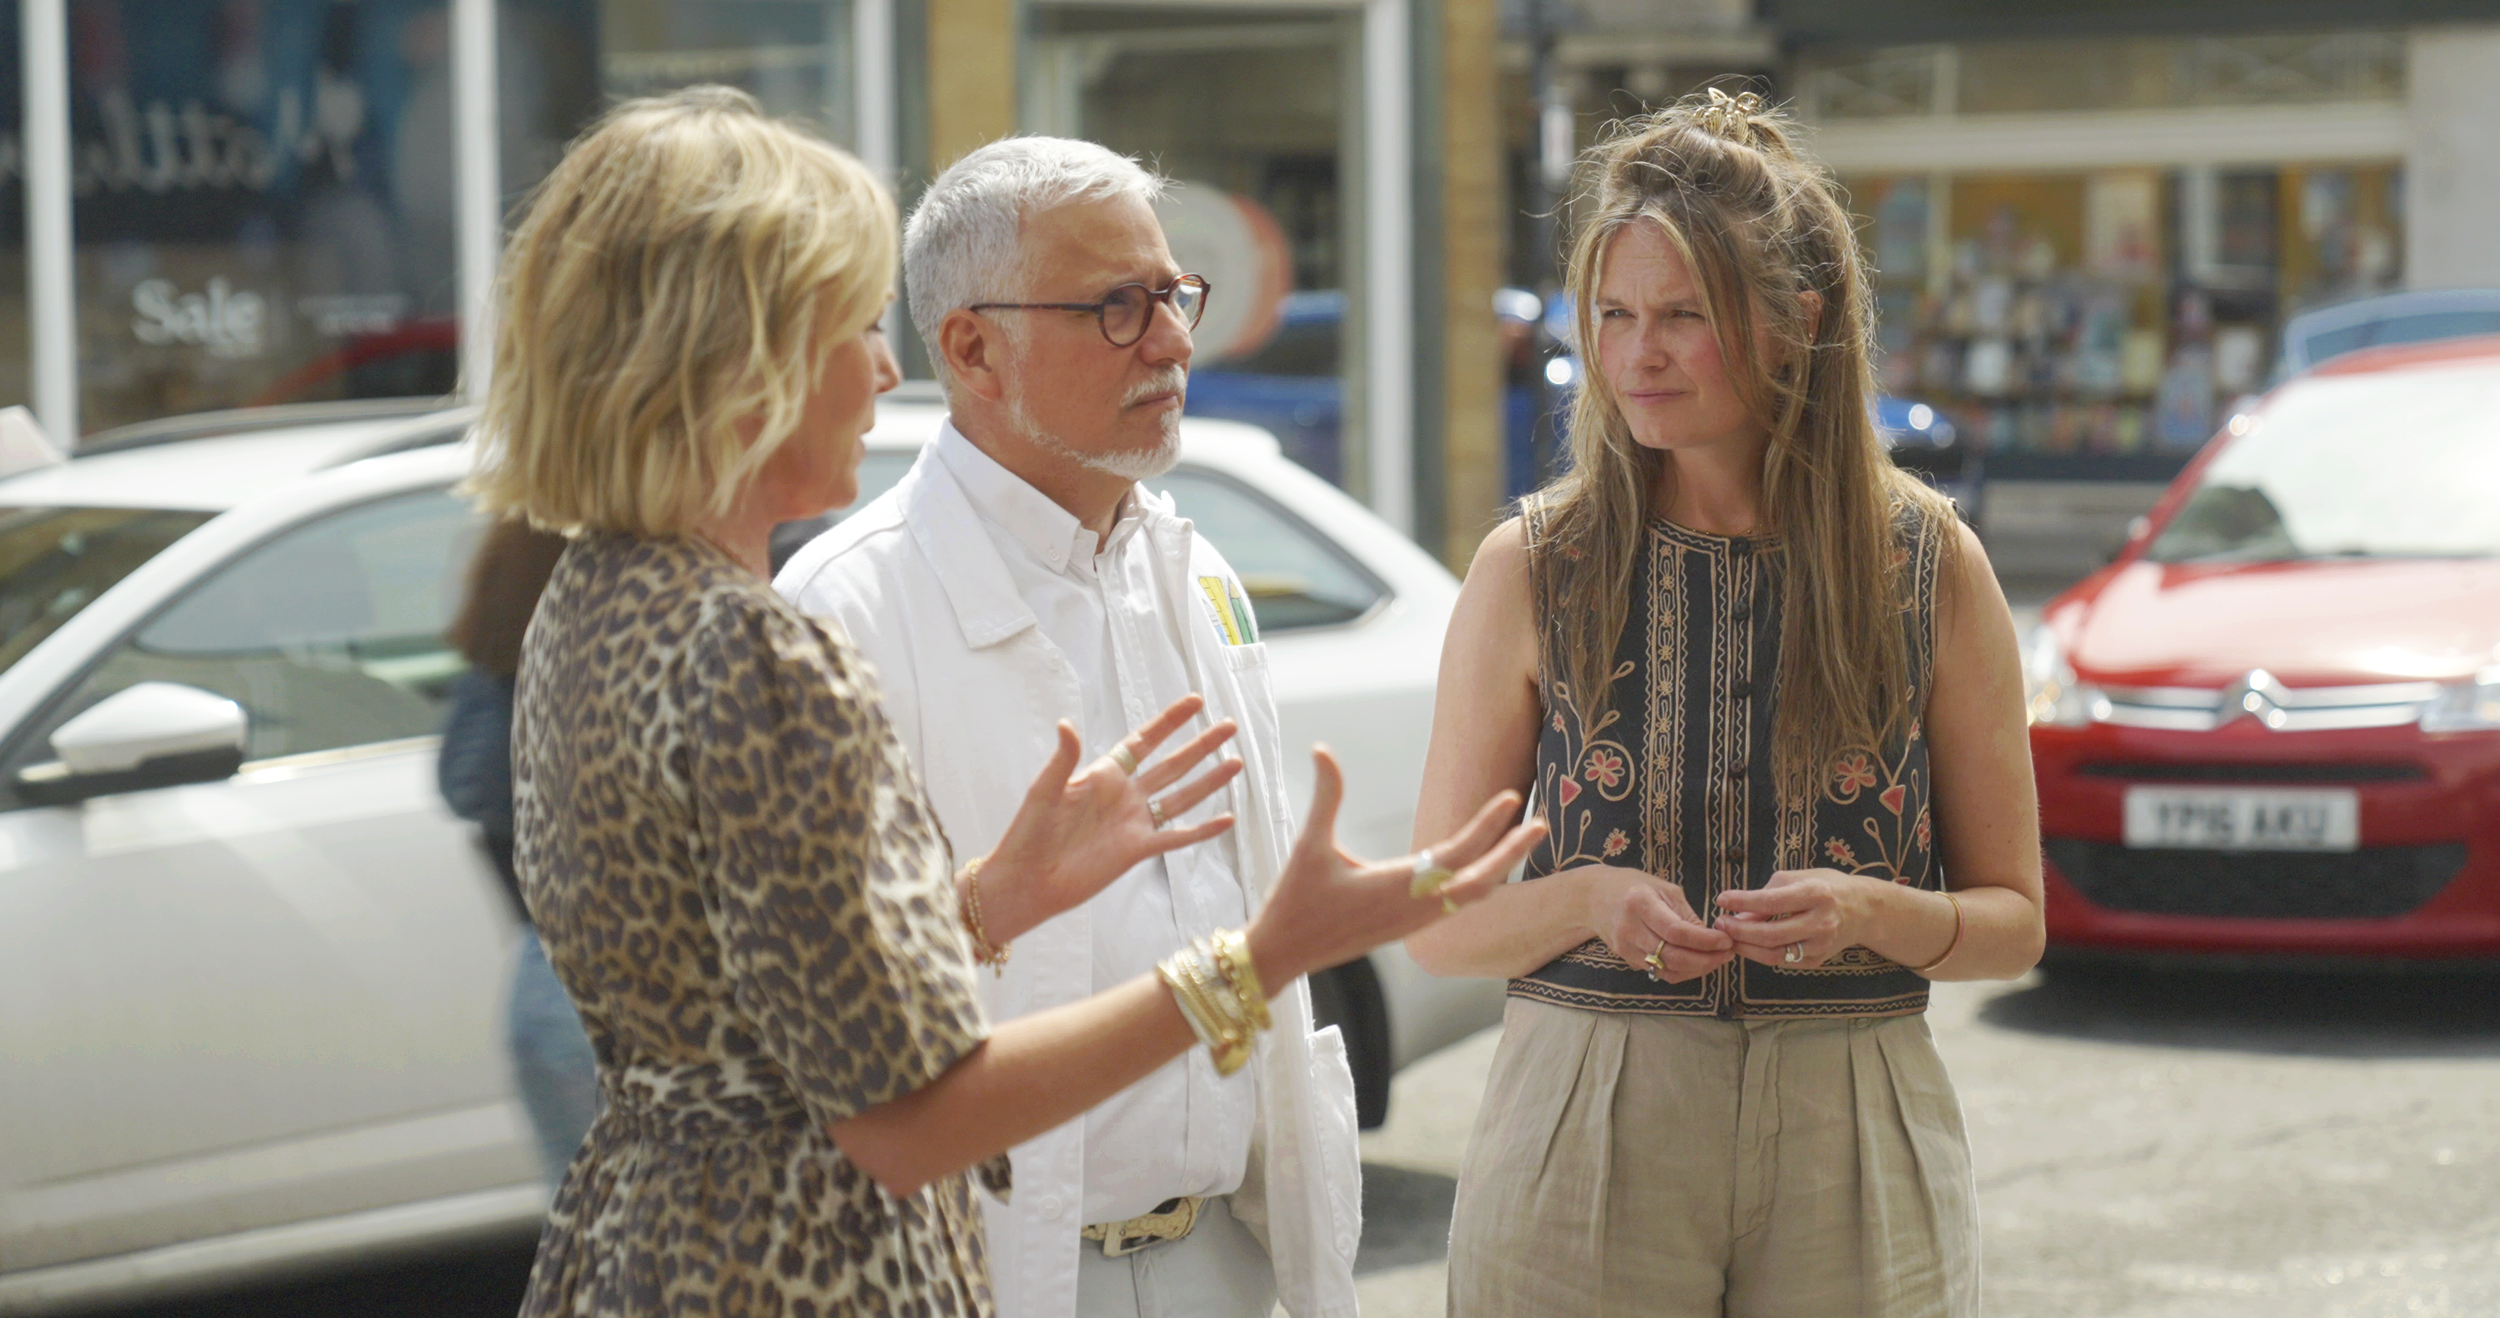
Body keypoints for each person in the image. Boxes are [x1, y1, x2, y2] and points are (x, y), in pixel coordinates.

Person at [468, 87, 1545, 1318]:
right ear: (729, 361)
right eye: (852, 323)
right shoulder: (767, 645)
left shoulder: (590, 603)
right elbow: (904, 1120)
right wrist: (1255, 962)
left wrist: (982, 903)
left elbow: (759, 1005)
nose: (886, 365)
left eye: (1169, 295)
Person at [1406, 89, 2045, 1317]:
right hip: (1586, 1107)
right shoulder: (1533, 564)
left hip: (1853, 1107)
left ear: (1799, 321)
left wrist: (1871, 910)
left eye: (1683, 317)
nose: (1636, 355)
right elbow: (1436, 925)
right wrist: (1588, 900)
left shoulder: (1930, 561)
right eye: (1613, 316)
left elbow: (2014, 920)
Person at [775, 137, 1356, 1318]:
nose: (1174, 340)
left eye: (1172, 294)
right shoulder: (846, 609)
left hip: (1227, 1261)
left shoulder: (1189, 566)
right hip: (997, 1279)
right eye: (1116, 306)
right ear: (972, 348)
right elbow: (804, 1025)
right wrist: (992, 899)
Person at [439, 517, 596, 1180]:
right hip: (603, 994)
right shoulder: (635, 602)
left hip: (551, 977)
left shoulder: (520, 569)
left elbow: (466, 779)